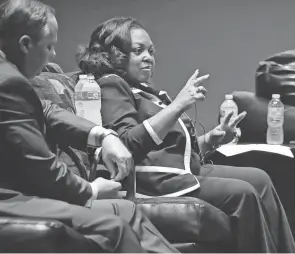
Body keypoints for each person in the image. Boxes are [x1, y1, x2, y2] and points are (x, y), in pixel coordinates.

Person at [77, 17, 295, 253]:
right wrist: (178, 105)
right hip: (148, 183)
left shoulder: (146, 93)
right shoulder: (111, 85)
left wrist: (212, 139)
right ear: (116, 54)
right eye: (138, 50)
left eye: (150, 51)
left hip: (177, 172)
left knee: (260, 178)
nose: (148, 57)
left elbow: (169, 153)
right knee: (244, 193)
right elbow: (126, 144)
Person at [0, 0, 178, 252]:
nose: (53, 56)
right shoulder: (8, 82)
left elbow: (46, 109)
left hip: (16, 192)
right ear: (26, 44)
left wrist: (102, 135)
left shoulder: (10, 78)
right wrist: (90, 190)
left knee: (126, 210)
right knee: (114, 227)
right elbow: (40, 166)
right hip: (8, 197)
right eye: (49, 46)